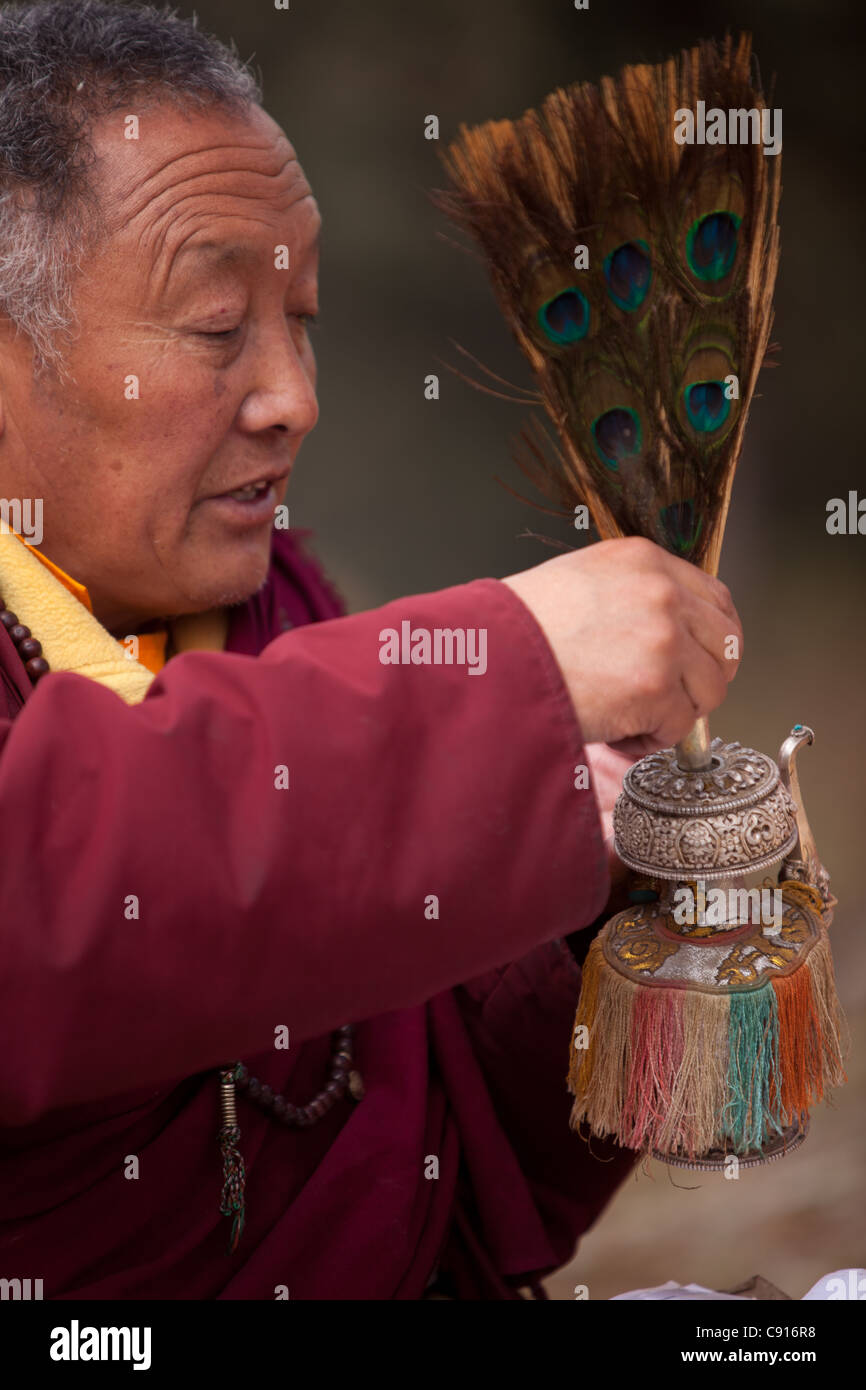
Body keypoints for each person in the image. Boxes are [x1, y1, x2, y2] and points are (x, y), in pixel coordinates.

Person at [0, 1, 742, 1300]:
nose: (296, 397)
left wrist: (608, 902)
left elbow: (438, 1204)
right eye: (220, 325)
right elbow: (49, 907)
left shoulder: (278, 610)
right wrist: (499, 671)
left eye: (305, 320)